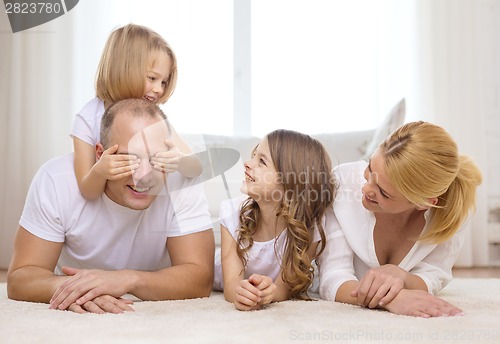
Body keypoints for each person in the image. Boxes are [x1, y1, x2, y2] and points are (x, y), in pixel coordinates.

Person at [7, 99, 215, 314]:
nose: (142, 176)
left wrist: (127, 279)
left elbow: (200, 279)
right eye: (129, 159)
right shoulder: (56, 179)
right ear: (100, 154)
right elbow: (21, 277)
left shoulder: (181, 179)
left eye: (155, 159)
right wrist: (78, 289)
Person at [319, 121, 482, 318]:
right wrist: (392, 299)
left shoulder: (451, 210)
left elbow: (433, 275)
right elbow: (332, 277)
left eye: (383, 193)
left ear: (424, 203)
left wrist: (401, 276)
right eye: (370, 169)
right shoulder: (341, 185)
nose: (366, 189)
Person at [72, 23, 201, 201]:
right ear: (124, 69)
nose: (159, 90)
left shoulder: (153, 118)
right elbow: (89, 192)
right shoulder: (87, 119)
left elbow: (196, 168)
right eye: (152, 78)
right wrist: (100, 171)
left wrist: (180, 160)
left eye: (163, 82)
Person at [213, 129, 336, 311]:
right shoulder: (232, 214)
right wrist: (240, 293)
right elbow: (231, 283)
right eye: (254, 156)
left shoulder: (309, 227)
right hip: (218, 276)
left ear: (291, 180)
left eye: (261, 161)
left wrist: (268, 294)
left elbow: (284, 287)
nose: (247, 163)